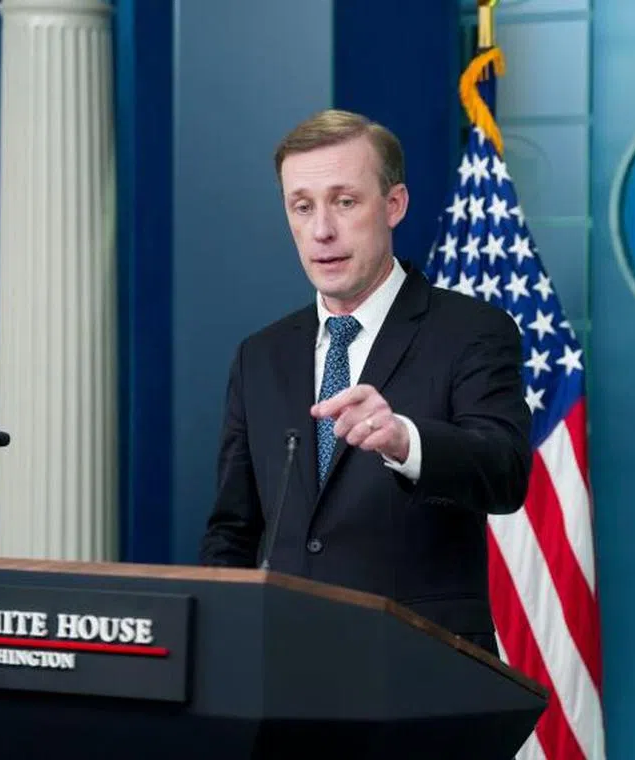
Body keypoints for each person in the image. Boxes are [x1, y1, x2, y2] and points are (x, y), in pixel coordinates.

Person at [198, 109, 531, 655]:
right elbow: (232, 531)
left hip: (421, 666)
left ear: (393, 205)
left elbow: (505, 473)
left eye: (345, 201)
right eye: (302, 206)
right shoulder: (260, 356)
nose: (322, 230)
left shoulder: (472, 331)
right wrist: (221, 647)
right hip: (285, 668)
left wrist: (405, 440)